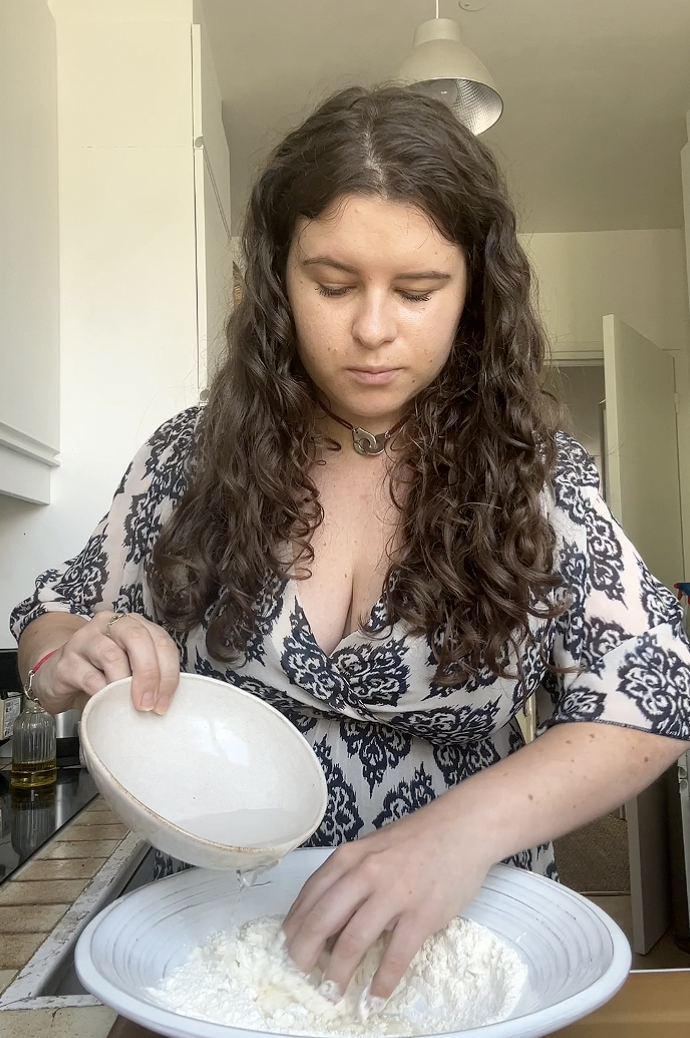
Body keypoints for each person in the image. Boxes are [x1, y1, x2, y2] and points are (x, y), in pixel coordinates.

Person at [11, 85, 690, 1011]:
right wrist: (62, 659)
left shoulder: (535, 477)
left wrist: (454, 834)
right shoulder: (191, 458)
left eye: (419, 291)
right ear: (276, 279)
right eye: (332, 285)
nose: (374, 329)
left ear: (475, 290)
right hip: (220, 946)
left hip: (456, 945)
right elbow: (50, 622)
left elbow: (650, 697)